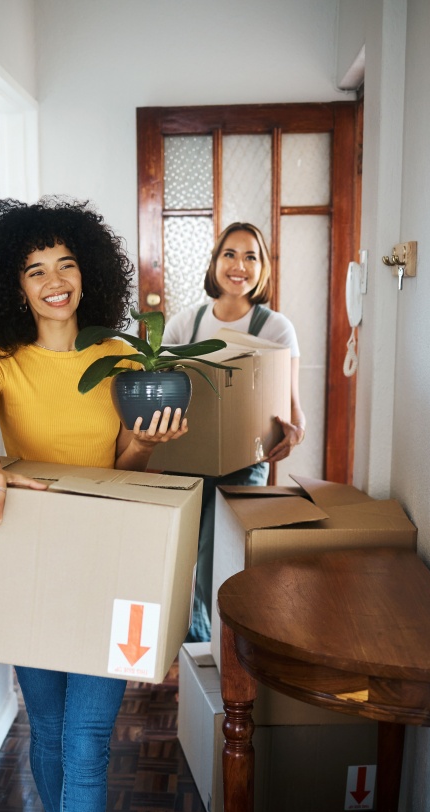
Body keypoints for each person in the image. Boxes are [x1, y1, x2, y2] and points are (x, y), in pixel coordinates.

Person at [0, 197, 187, 812]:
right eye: (34, 269)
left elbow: (126, 471)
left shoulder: (122, 358)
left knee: (89, 742)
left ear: (87, 272)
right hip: (30, 574)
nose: (54, 280)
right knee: (47, 733)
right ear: (13, 285)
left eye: (65, 264)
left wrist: (149, 444)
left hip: (110, 570)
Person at [163, 221, 306, 642]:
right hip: (185, 461)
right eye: (230, 254)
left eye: (251, 256)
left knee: (218, 564)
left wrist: (293, 435)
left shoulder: (275, 328)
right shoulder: (184, 326)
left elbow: (295, 412)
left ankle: (215, 656)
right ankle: (192, 653)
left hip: (245, 466)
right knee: (181, 557)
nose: (239, 265)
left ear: (262, 268)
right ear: (215, 262)